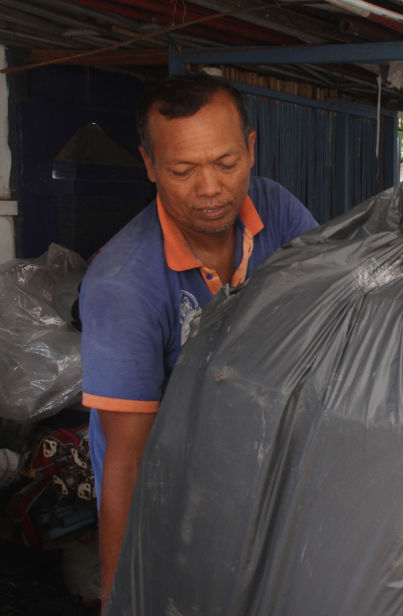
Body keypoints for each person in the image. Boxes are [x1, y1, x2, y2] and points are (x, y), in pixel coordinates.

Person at [79, 74, 318, 605]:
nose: (210, 188)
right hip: (173, 496)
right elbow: (126, 462)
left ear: (250, 149)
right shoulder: (124, 285)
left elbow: (328, 313)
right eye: (182, 170)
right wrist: (120, 598)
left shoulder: (275, 210)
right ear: (149, 164)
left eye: (226, 164)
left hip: (258, 468)